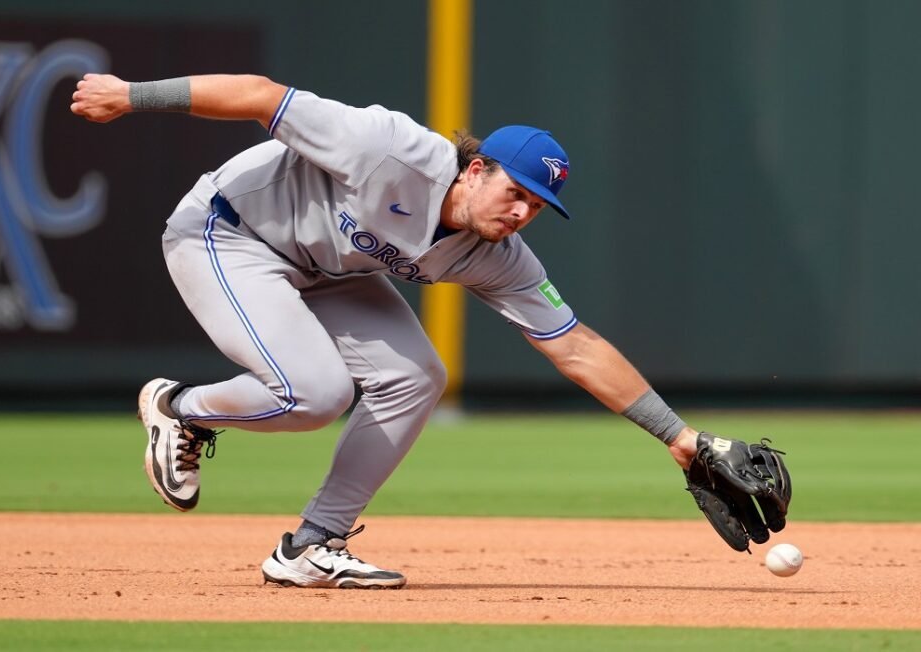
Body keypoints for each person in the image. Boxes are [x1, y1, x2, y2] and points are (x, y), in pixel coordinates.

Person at [69, 73, 770, 590]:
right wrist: (132, 97)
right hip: (229, 232)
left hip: (330, 267)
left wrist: (682, 440)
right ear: (475, 168)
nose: (523, 212)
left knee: (417, 377)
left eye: (538, 203)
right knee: (314, 394)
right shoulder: (387, 149)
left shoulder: (498, 254)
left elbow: (574, 344)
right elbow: (258, 95)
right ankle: (179, 409)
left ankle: (314, 546)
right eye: (515, 191)